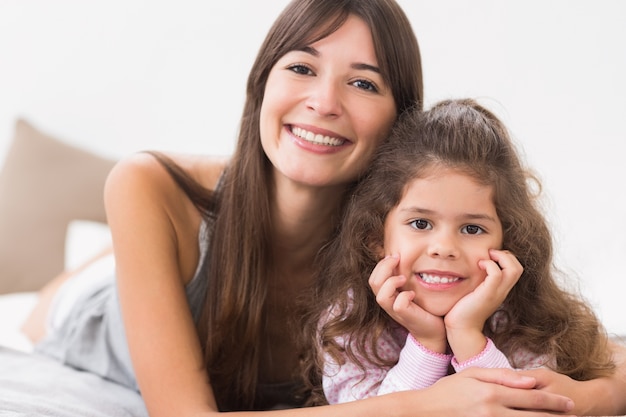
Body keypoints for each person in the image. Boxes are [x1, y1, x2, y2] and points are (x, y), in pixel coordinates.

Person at [18, 0, 626, 415]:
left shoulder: (405, 237)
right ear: (262, 84)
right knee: (69, 287)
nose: (323, 102)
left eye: (363, 82)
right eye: (302, 67)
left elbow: (610, 355)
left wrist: (582, 398)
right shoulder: (149, 183)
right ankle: (102, 255)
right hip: (94, 312)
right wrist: (424, 404)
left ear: (399, 124)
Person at [307, 98, 625, 414]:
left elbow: (524, 412)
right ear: (377, 237)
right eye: (421, 223)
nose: (444, 247)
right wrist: (426, 344)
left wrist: (466, 333)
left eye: (472, 229)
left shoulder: (523, 319)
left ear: (507, 242)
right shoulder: (349, 321)